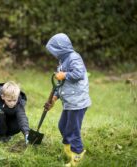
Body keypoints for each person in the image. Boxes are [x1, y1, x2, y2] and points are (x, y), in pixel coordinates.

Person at [45, 33, 91, 166]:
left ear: (61, 49)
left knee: (72, 130)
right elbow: (60, 84)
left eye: (54, 51)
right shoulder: (62, 61)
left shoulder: (74, 57)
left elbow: (79, 74)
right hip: (70, 102)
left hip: (78, 102)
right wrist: (54, 98)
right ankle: (68, 150)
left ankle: (78, 153)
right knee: (62, 126)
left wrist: (64, 74)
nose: (53, 54)